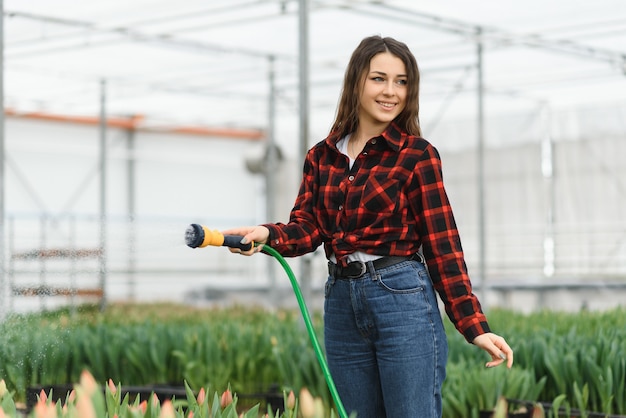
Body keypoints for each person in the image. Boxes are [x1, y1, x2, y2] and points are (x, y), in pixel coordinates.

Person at [223, 35, 513, 418]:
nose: (391, 91)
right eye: (379, 78)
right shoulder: (322, 156)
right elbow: (309, 228)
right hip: (341, 300)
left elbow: (443, 246)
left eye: (402, 81)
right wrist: (269, 235)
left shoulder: (416, 155)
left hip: (402, 297)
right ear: (356, 81)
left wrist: (474, 324)